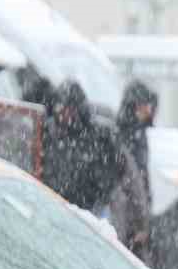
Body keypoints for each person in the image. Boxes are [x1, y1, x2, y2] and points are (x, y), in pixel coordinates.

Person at [41, 80, 119, 213]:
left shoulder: (97, 137)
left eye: (70, 109)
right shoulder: (46, 132)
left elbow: (109, 173)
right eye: (60, 108)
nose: (64, 114)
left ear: (79, 110)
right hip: (50, 204)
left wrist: (96, 195)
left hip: (86, 208)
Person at [107, 80, 158, 263]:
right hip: (128, 214)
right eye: (147, 105)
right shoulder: (131, 133)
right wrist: (141, 221)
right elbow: (134, 179)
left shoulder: (130, 130)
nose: (150, 110)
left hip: (128, 211)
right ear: (137, 105)